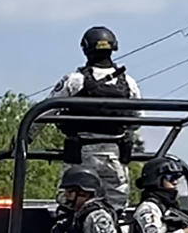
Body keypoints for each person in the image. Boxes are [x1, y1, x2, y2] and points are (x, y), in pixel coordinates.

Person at [45, 25, 142, 207]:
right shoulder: (129, 83)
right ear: (113, 48)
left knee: (69, 205)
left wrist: (22, 140)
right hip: (115, 156)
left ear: (85, 49)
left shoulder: (74, 80)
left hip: (80, 155)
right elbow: (137, 119)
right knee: (117, 209)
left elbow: (44, 111)